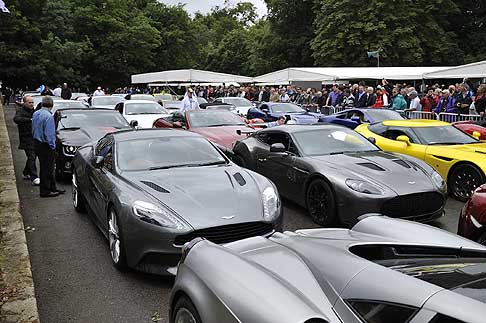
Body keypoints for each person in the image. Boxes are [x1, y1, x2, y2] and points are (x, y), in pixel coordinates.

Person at [32, 96, 65, 197]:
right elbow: (49, 135)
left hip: (37, 142)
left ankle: (52, 187)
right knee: (47, 168)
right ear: (52, 105)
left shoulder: (36, 113)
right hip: (45, 145)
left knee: (47, 167)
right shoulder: (48, 116)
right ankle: (45, 191)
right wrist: (53, 147)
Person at [13, 96, 39, 185]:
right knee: (31, 156)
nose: (31, 104)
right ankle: (34, 177)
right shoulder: (21, 111)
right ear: (24, 103)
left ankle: (26, 172)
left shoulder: (34, 111)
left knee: (33, 156)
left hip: (33, 137)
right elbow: (16, 119)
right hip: (25, 138)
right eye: (29, 102)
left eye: (32, 102)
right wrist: (29, 120)